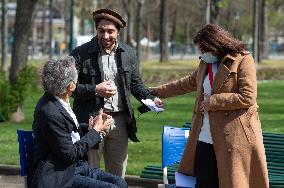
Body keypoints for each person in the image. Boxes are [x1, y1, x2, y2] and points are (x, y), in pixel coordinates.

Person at [151, 24, 269, 188]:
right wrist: (156, 92)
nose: (201, 53)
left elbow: (248, 97)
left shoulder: (243, 60)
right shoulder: (206, 63)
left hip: (233, 139)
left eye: (204, 49)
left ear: (216, 45)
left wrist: (213, 102)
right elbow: (187, 83)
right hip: (204, 137)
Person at [70, 8, 163, 177]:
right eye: (101, 31)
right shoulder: (80, 53)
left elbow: (135, 85)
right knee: (89, 174)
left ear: (118, 32)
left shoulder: (128, 53)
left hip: (119, 122)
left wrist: (151, 99)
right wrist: (96, 90)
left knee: (117, 175)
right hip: (91, 121)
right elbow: (70, 88)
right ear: (96, 30)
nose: (106, 36)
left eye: (110, 31)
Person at [27, 56, 128, 188]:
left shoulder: (58, 100)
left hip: (75, 167)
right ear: (71, 86)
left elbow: (66, 133)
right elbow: (70, 154)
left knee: (120, 182)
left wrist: (89, 128)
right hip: (59, 175)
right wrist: (95, 132)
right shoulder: (49, 112)